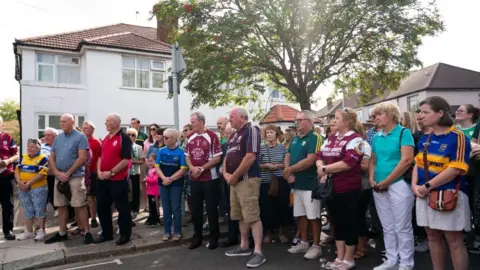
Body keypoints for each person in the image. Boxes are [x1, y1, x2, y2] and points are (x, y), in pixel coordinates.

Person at [414, 96, 472, 270]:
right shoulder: (425, 138)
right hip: (424, 194)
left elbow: (456, 168)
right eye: (420, 112)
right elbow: (418, 164)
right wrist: (414, 186)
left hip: (449, 194)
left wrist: (426, 187)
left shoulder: (458, 136)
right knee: (432, 237)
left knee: (454, 241)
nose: (421, 116)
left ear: (440, 113)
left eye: (426, 112)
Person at [369, 103, 415, 270]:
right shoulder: (376, 136)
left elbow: (406, 160)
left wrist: (387, 181)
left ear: (390, 115)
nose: (374, 118)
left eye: (378, 115)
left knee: (402, 226)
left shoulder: (404, 132)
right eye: (373, 115)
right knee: (387, 226)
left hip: (399, 184)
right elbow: (373, 160)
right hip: (379, 186)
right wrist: (371, 178)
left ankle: (406, 263)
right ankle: (391, 260)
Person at [316, 108, 364, 270]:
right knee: (337, 223)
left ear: (347, 122)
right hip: (331, 189)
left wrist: (325, 170)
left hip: (349, 189)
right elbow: (319, 156)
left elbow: (348, 162)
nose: (333, 121)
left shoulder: (356, 139)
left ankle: (349, 259)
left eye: (337, 118)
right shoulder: (331, 137)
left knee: (348, 223)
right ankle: (340, 256)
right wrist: (321, 167)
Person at [223, 107, 266, 268]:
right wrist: (227, 173)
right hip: (235, 182)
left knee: (252, 215)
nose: (229, 119)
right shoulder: (234, 135)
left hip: (248, 180)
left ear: (242, 117)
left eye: (232, 117)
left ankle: (258, 252)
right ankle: (244, 245)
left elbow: (250, 156)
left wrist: (234, 176)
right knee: (241, 215)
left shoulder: (252, 130)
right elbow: (228, 156)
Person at [44, 114, 93, 244]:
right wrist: (56, 172)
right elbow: (51, 157)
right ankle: (62, 232)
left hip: (76, 176)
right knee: (61, 205)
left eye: (64, 121)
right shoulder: (58, 138)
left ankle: (87, 232)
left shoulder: (80, 137)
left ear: (72, 122)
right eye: (60, 121)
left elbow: (82, 158)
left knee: (80, 204)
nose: (62, 123)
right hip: (59, 176)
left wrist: (68, 173)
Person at [284, 110, 323, 260]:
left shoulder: (315, 137)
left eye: (299, 120)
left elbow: (311, 159)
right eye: (296, 120)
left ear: (309, 121)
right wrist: (288, 173)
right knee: (300, 215)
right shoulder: (295, 138)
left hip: (310, 184)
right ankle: (304, 242)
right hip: (296, 183)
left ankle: (316, 246)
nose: (296, 123)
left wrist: (289, 170)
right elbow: (287, 155)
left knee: (313, 216)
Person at [185, 112, 222, 250]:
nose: (191, 124)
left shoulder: (212, 136)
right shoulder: (190, 137)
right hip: (194, 178)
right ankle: (197, 236)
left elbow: (217, 158)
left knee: (211, 208)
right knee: (196, 209)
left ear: (201, 122)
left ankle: (214, 237)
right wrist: (192, 168)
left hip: (210, 178)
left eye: (193, 122)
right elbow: (187, 156)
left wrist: (202, 168)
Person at [95, 113, 132, 246]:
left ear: (116, 123)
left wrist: (111, 172)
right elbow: (100, 157)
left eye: (108, 121)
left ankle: (125, 235)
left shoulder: (124, 138)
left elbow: (125, 160)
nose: (105, 123)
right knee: (102, 207)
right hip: (103, 179)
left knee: (122, 208)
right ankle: (106, 233)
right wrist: (99, 171)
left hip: (117, 179)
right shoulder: (106, 138)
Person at [258, 124, 289, 244]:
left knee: (281, 207)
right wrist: (265, 166)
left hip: (280, 180)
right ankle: (268, 233)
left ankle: (281, 231)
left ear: (276, 134)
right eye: (267, 132)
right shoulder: (261, 148)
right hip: (265, 181)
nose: (269, 134)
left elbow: (287, 163)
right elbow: (256, 164)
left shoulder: (283, 148)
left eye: (272, 132)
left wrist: (277, 166)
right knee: (266, 208)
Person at [156, 128, 188, 241]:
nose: (164, 139)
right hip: (163, 183)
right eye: (163, 137)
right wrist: (164, 178)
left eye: (166, 137)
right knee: (166, 208)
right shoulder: (161, 151)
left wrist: (171, 178)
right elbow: (157, 167)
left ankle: (177, 232)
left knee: (176, 208)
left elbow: (183, 169)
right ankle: (167, 231)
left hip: (176, 184)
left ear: (174, 139)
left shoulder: (181, 152)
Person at [15, 139, 49, 241]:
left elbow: (42, 174)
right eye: (28, 146)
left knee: (39, 209)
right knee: (28, 210)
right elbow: (17, 170)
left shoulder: (43, 158)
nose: (30, 148)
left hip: (38, 188)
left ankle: (41, 231)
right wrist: (19, 182)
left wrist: (28, 183)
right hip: (23, 188)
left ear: (38, 148)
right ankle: (29, 231)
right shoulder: (23, 157)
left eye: (32, 146)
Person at [219, 124, 239, 247]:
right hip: (226, 181)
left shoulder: (240, 146)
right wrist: (221, 169)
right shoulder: (224, 146)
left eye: (229, 133)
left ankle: (249, 239)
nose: (226, 135)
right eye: (225, 133)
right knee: (231, 209)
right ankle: (232, 237)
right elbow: (221, 161)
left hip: (239, 180)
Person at [0, 116, 19, 241]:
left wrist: (8, 161)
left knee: (8, 204)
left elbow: (16, 155)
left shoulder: (8, 138)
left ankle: (8, 230)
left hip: (6, 175)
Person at [82, 121, 101, 228]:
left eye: (86, 128)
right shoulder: (79, 141)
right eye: (83, 128)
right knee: (82, 198)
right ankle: (81, 219)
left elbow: (99, 158)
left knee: (92, 197)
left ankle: (93, 218)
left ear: (92, 130)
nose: (84, 130)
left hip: (93, 173)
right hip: (81, 173)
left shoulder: (96, 143)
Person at [126, 128, 145, 218]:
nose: (130, 137)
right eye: (129, 134)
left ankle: (135, 209)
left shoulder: (139, 147)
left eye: (132, 135)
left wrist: (133, 162)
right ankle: (128, 208)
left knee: (135, 191)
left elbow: (142, 161)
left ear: (136, 137)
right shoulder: (123, 146)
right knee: (127, 191)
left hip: (135, 172)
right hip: (125, 173)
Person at [41, 127, 58, 211]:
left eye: (49, 135)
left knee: (55, 195)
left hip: (55, 175)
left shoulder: (59, 147)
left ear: (55, 136)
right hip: (42, 176)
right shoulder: (40, 146)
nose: (46, 137)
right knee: (44, 196)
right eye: (45, 135)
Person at [144, 154, 160, 227]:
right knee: (151, 206)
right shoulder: (150, 170)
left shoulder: (156, 170)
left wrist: (147, 179)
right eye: (148, 161)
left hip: (155, 192)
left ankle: (156, 220)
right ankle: (152, 218)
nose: (149, 163)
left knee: (155, 206)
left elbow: (155, 180)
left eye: (151, 161)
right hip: (150, 191)